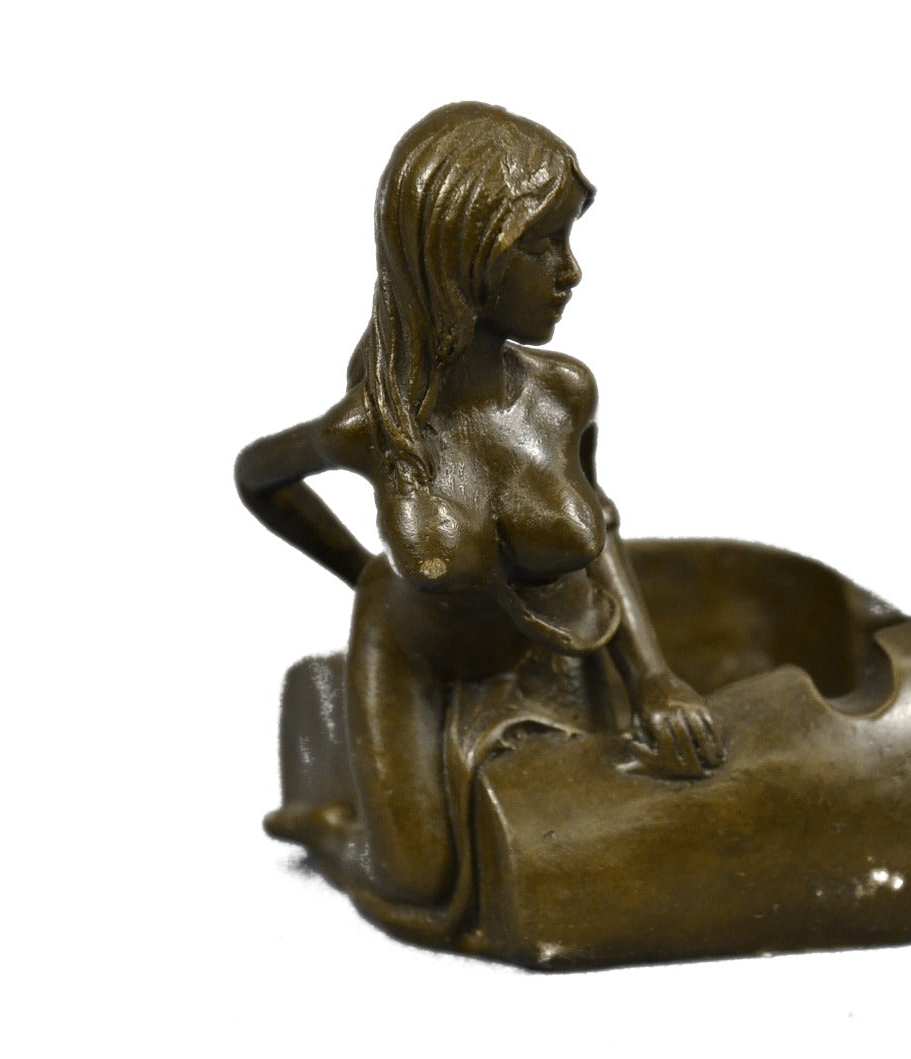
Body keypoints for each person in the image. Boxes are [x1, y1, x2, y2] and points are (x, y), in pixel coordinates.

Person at [235, 103, 724, 914]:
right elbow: (258, 478)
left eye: (568, 241)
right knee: (419, 882)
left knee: (604, 848)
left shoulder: (564, 394)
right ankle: (331, 825)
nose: (571, 272)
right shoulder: (375, 429)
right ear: (461, 258)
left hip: (549, 654)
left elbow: (600, 529)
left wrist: (655, 677)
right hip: (419, 664)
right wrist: (363, 574)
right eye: (542, 246)